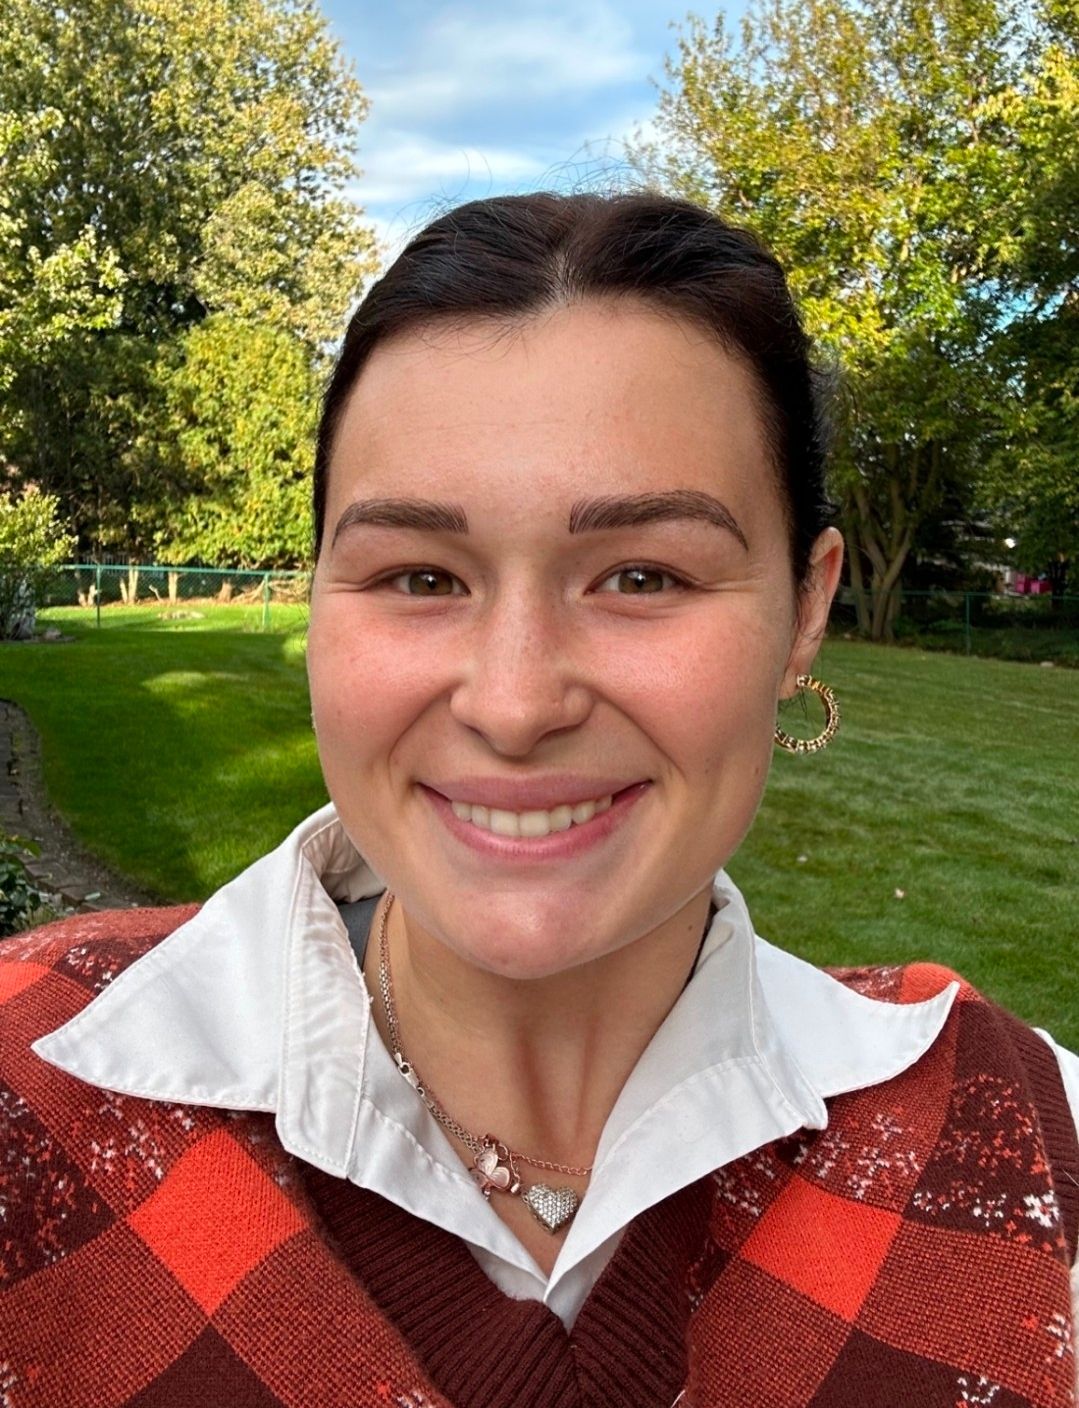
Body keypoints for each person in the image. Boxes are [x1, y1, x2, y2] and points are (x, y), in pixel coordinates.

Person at [2, 192, 1076, 1408]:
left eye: (639, 574)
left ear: (804, 608)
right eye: (419, 575)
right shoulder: (29, 1088)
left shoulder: (1016, 1144)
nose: (513, 705)